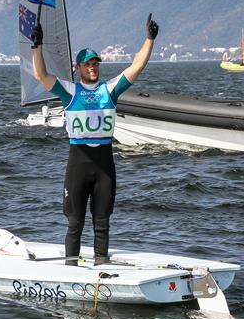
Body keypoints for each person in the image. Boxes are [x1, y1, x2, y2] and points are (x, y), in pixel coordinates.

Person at [30, 15, 158, 266]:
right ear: (78, 68)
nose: (92, 67)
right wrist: (37, 46)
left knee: (102, 221)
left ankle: (101, 263)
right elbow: (40, 75)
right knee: (75, 222)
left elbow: (137, 66)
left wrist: (150, 39)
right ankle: (71, 265)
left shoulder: (109, 89)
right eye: (87, 64)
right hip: (78, 165)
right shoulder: (69, 91)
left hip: (104, 165)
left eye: (96, 63)